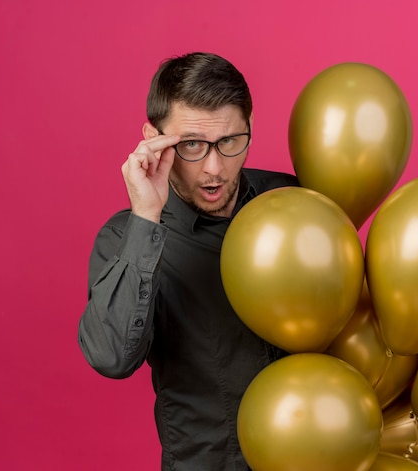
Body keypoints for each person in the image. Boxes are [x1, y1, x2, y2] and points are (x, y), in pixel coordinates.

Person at [78, 52, 299, 471]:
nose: (214, 169)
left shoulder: (293, 201)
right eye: (191, 145)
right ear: (152, 138)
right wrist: (146, 216)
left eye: (230, 142)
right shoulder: (125, 238)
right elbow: (110, 357)